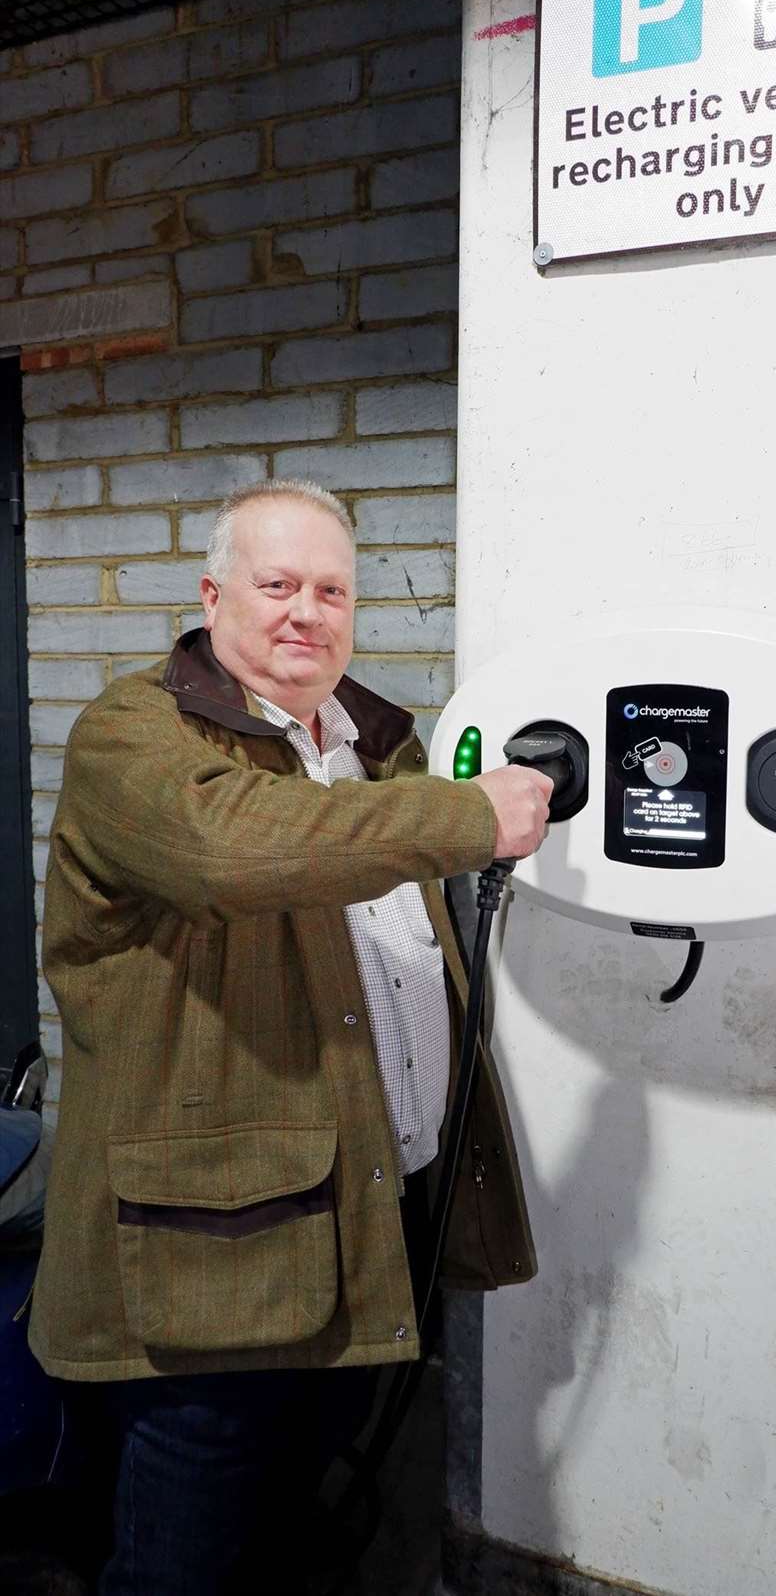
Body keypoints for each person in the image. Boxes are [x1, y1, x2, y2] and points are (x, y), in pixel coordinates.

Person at [29, 478, 552, 1595]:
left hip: (364, 1211)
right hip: (214, 1247)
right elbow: (239, 848)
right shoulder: (135, 732)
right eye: (277, 585)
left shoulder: (369, 745)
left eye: (332, 590)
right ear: (213, 594)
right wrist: (470, 817)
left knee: (290, 1517)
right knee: (186, 1551)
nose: (306, 611)